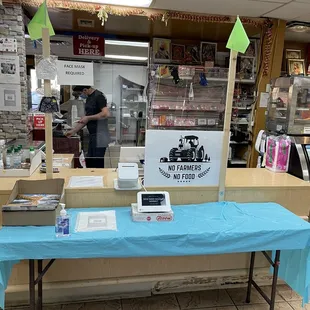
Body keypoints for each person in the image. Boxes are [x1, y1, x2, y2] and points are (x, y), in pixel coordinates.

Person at [66, 86, 110, 168]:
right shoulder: (89, 98)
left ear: (85, 90)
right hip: (93, 135)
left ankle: (98, 179)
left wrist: (88, 117)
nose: (80, 96)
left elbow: (106, 114)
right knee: (90, 161)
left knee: (97, 163)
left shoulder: (99, 96)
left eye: (80, 93)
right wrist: (73, 131)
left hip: (100, 135)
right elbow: (86, 119)